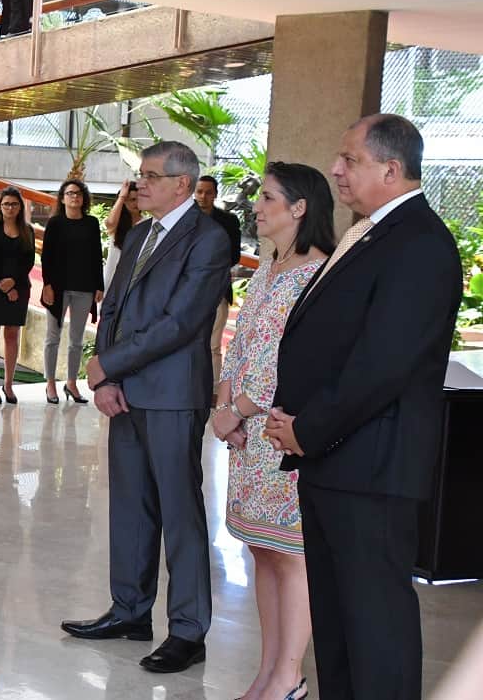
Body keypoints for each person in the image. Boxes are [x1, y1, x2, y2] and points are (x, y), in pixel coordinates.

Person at [266, 114, 462, 700]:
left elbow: (384, 363)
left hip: (371, 465)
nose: (335, 170)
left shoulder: (420, 242)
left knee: (375, 625)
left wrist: (308, 428)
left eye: (349, 159)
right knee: (340, 623)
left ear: (391, 169)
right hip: (337, 460)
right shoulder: (375, 232)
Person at [61, 141, 229, 675]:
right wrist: (105, 371)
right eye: (139, 178)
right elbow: (112, 307)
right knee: (131, 506)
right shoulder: (137, 233)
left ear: (183, 184)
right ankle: (130, 611)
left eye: (151, 177)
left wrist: (110, 366)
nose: (139, 187)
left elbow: (180, 323)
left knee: (179, 512)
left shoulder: (208, 240)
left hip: (174, 395)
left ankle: (187, 631)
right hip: (127, 391)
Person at [212, 162, 334, 700]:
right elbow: (240, 346)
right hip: (244, 437)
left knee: (291, 554)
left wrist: (237, 409)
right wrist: (223, 404)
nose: (256, 207)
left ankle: (290, 675)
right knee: (260, 550)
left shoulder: (319, 274)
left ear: (299, 207)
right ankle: (266, 670)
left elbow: (291, 363)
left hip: (279, 432)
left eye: (267, 198)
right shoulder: (265, 270)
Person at [40, 179, 104, 404]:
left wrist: (99, 285)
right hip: (57, 288)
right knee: (52, 337)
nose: (74, 197)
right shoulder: (55, 223)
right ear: (62, 197)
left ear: (83, 197)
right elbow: (46, 256)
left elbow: (97, 255)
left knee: (76, 340)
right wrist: (47, 285)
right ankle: (50, 384)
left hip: (84, 288)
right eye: (70, 193)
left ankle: (71, 383)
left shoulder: (91, 223)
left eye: (78, 193)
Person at [0, 187, 35, 404]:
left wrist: (14, 284)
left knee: (12, 335)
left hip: (19, 287)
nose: (10, 208)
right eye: (6, 204)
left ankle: (8, 384)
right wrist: (5, 286)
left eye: (14, 204)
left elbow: (28, 261)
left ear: (20, 207)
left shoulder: (27, 231)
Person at [194, 174, 243, 388]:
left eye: (208, 192)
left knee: (214, 343)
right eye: (199, 192)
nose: (203, 196)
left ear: (215, 194)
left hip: (218, 287)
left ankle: (213, 387)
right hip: (189, 289)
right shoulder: (185, 219)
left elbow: (234, 255)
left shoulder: (228, 221)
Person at [104, 179, 144, 288]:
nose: (136, 203)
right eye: (132, 200)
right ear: (124, 201)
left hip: (135, 279)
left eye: (139, 199)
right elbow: (110, 223)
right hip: (113, 278)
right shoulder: (117, 223)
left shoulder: (148, 223)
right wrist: (121, 197)